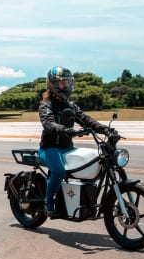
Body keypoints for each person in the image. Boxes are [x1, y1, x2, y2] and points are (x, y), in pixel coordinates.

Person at [38, 66, 107, 218]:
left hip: (67, 148)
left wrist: (104, 129)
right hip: (50, 149)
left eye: (68, 82)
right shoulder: (46, 104)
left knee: (92, 161)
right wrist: (63, 129)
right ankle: (48, 202)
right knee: (59, 171)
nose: (67, 86)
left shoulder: (70, 105)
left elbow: (85, 119)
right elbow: (48, 122)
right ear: (53, 85)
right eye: (63, 83)